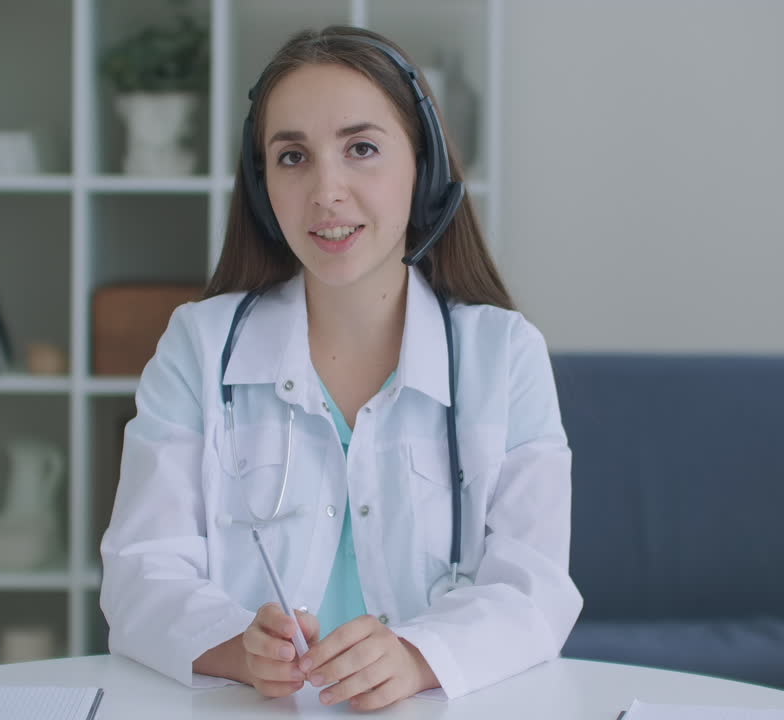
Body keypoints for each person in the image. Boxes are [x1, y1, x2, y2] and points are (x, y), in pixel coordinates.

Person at [99, 25, 581, 710]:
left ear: (426, 165)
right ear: (263, 185)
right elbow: (141, 574)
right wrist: (240, 647)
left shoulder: (504, 356)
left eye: (361, 149)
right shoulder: (199, 346)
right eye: (292, 157)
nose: (327, 191)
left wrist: (418, 657)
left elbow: (534, 592)